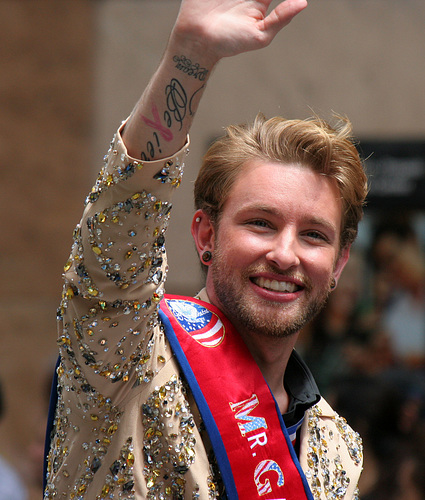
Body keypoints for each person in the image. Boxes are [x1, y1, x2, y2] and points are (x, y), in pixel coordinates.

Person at [44, 0, 367, 498]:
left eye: (314, 235)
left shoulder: (338, 448)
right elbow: (119, 233)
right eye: (261, 224)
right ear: (206, 236)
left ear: (340, 262)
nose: (286, 254)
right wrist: (189, 56)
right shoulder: (129, 356)